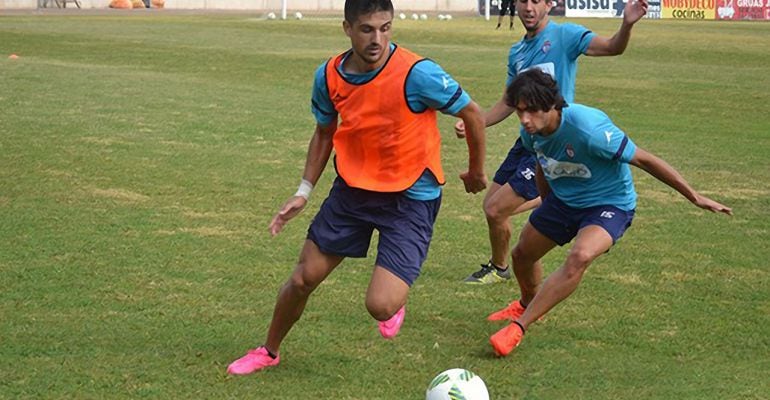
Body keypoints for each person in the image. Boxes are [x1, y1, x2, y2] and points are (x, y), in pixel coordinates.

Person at [226, 0, 488, 375]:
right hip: (353, 191)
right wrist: (303, 191)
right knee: (303, 278)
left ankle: (394, 301)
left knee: (380, 305)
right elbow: (324, 131)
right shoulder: (329, 75)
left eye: (385, 28)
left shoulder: (417, 73)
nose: (377, 38)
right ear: (347, 28)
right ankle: (268, 351)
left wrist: (476, 171)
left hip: (410, 196)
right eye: (367, 29)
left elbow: (473, 113)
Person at [488, 69, 733, 356]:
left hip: (609, 204)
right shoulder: (531, 133)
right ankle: (530, 303)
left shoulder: (589, 130)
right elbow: (542, 163)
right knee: (522, 255)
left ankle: (519, 327)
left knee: (580, 256)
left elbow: (644, 159)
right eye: (519, 112)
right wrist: (548, 202)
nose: (524, 120)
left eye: (530, 111)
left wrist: (694, 196)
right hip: (565, 201)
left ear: (552, 104)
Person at [459, 0, 649, 290]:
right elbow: (510, 102)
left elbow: (612, 47)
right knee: (490, 208)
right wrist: (477, 122)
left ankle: (506, 262)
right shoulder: (517, 52)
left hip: (555, 143)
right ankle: (499, 266)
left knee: (498, 209)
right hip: (527, 141)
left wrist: (627, 24)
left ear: (550, 4)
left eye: (536, 0)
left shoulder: (565, 36)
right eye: (523, 1)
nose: (529, 7)